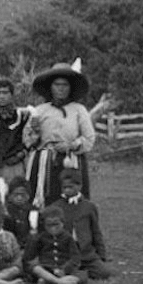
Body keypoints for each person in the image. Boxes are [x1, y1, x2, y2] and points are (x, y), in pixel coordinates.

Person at [24, 62, 95, 206]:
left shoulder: (78, 110)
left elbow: (89, 138)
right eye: (57, 85)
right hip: (44, 162)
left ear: (70, 88)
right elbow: (27, 140)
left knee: (72, 198)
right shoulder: (40, 110)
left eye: (65, 85)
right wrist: (35, 132)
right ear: (51, 87)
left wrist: (71, 145)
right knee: (45, 198)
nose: (61, 89)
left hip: (71, 160)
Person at [50, 170, 112, 280]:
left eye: (71, 187)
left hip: (86, 253)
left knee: (104, 273)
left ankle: (82, 270)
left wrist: (101, 255)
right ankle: (76, 272)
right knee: (70, 273)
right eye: (65, 187)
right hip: (66, 253)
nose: (67, 190)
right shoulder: (56, 207)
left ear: (79, 186)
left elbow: (96, 232)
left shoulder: (89, 207)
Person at [23, 205, 84, 284]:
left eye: (56, 224)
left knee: (80, 276)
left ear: (63, 223)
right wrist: (32, 239)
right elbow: (29, 257)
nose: (53, 228)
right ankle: (59, 282)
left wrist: (65, 269)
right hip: (47, 268)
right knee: (36, 268)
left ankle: (49, 280)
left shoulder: (68, 237)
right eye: (49, 225)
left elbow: (75, 257)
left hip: (64, 268)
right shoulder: (41, 237)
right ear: (44, 225)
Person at [3, 177, 33, 248]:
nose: (19, 198)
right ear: (10, 196)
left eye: (22, 195)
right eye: (16, 194)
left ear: (28, 196)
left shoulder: (33, 211)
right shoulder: (5, 212)